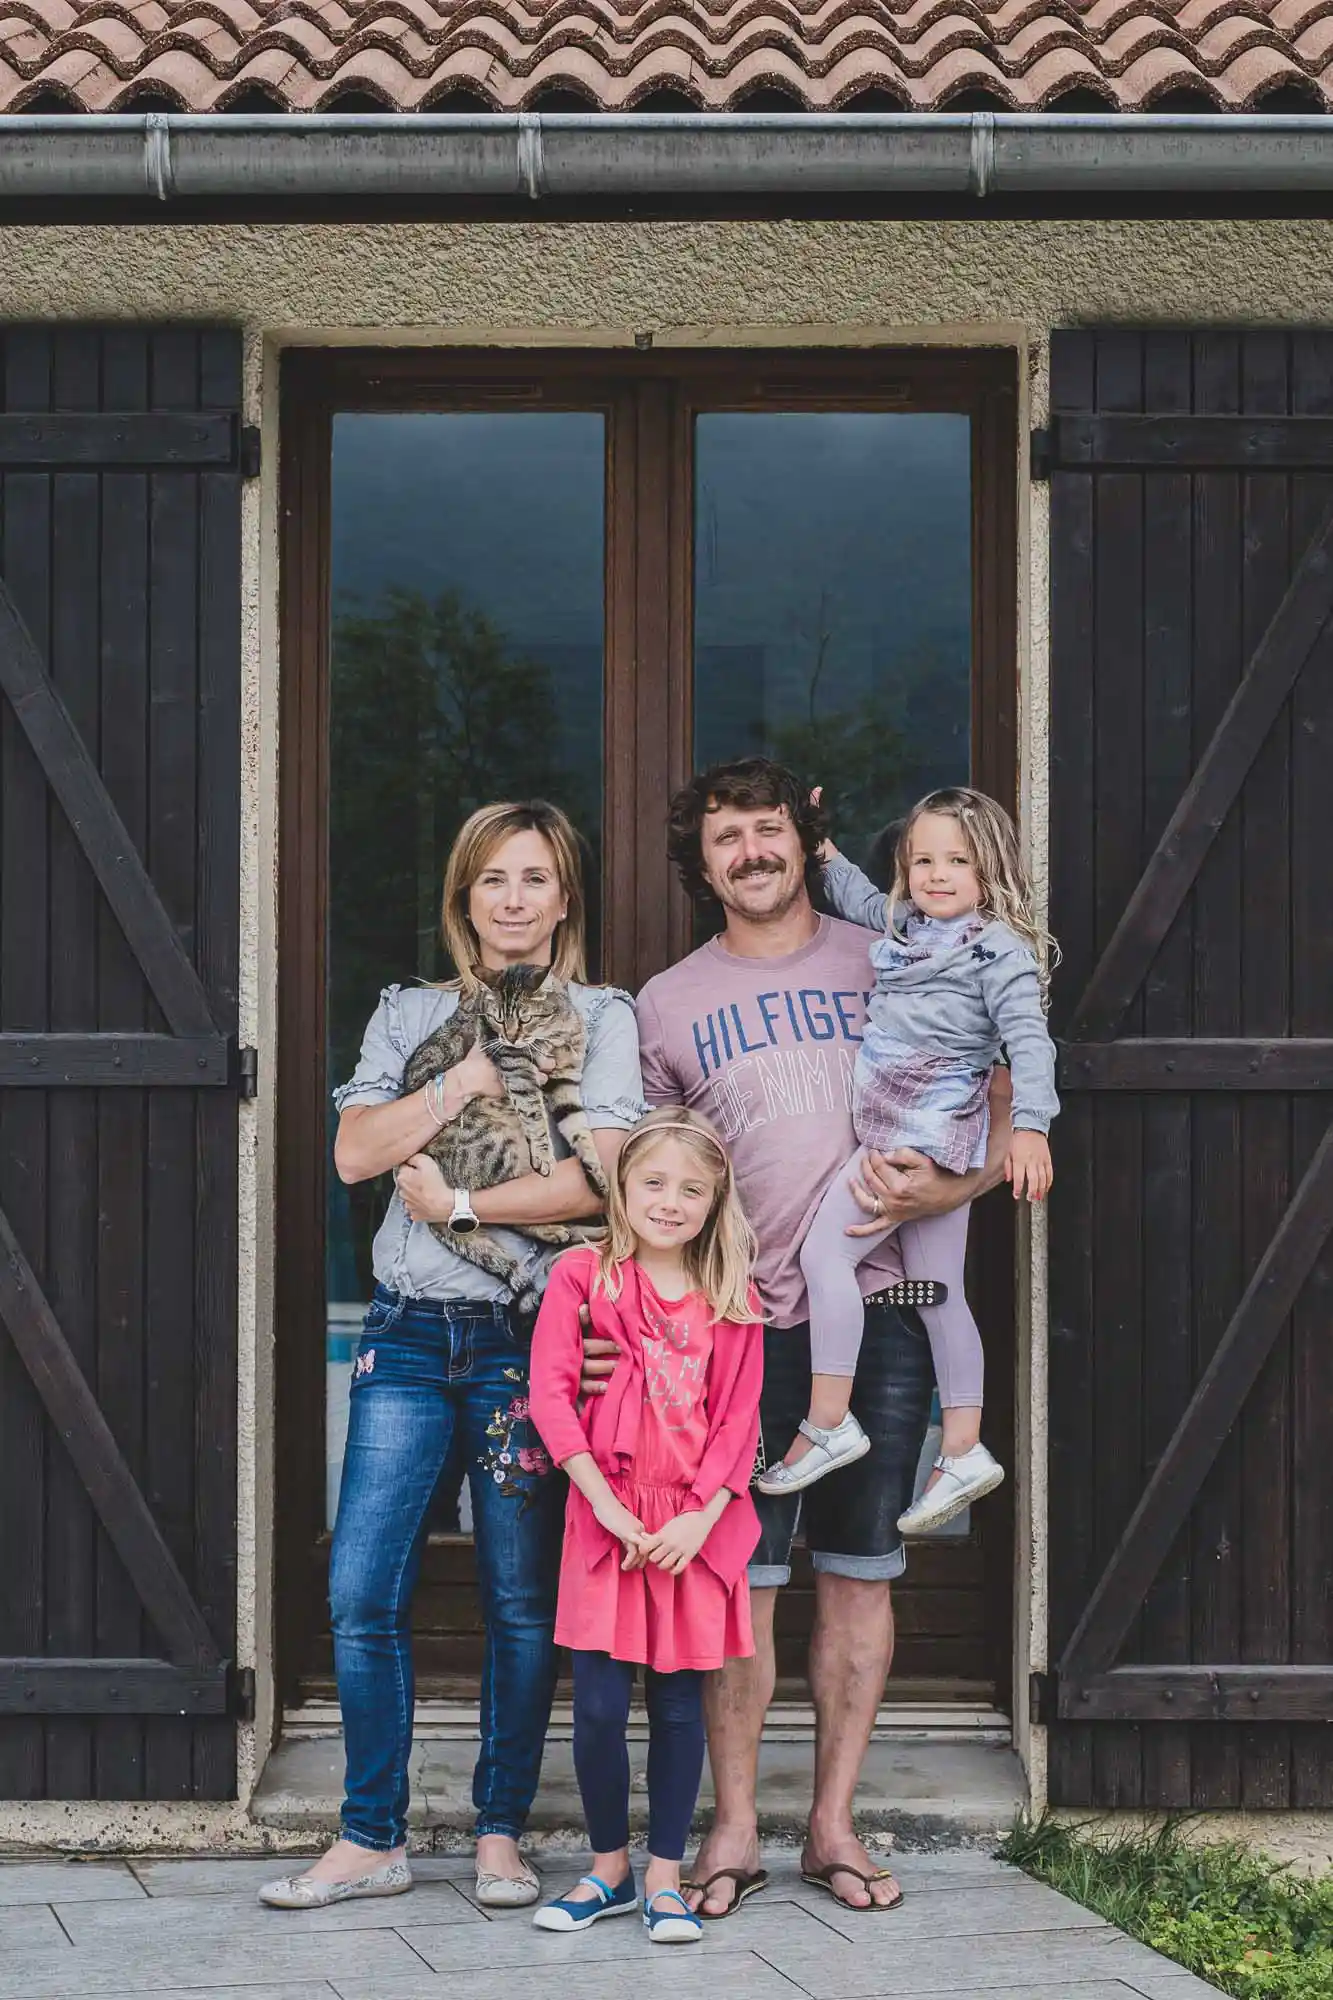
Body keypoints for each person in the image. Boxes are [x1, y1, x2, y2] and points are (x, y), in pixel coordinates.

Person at [585, 757, 1013, 1917]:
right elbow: (652, 1184)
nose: (751, 851)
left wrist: (951, 1186)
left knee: (862, 1576)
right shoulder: (666, 1001)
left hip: (889, 1311)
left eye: (767, 827)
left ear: (801, 840)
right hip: (739, 1322)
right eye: (726, 836)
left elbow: (995, 1088)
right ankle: (732, 1825)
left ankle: (832, 1823)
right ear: (701, 861)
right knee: (742, 1583)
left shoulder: (894, 954)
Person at [260, 801, 645, 1912]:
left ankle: (498, 1831)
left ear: (564, 900)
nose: (513, 899)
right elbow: (354, 1152)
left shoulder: (601, 1016)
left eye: (535, 878)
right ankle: (370, 1835)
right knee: (359, 1587)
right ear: (463, 899)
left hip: (527, 1340)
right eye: (492, 879)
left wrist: (462, 1201)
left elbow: (603, 1182)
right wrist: (461, 1085)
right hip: (406, 1331)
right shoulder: (409, 1011)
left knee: (518, 1598)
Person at [758, 786, 1058, 1533]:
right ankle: (962, 1447)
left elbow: (1030, 1044)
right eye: (922, 860)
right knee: (937, 1292)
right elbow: (860, 899)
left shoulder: (997, 952)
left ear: (989, 870)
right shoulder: (907, 928)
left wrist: (1030, 1127)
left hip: (915, 1136)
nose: (936, 874)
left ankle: (828, 1421)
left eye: (956, 861)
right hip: (920, 1134)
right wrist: (822, 849)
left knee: (823, 1258)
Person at [528, 1108, 763, 1945]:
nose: (670, 1201)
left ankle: (665, 1876)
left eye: (691, 1189)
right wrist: (604, 1504)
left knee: (676, 1709)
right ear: (622, 1188)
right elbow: (551, 1394)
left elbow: (737, 1421)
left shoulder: (731, 1297)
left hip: (689, 1530)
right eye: (654, 1182)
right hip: (607, 1517)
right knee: (596, 1706)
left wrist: (701, 1518)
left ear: (714, 1201)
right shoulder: (583, 1277)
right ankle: (608, 1872)